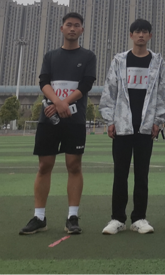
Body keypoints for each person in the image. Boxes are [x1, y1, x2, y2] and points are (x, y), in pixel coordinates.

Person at [19, 12, 96, 236]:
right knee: (44, 166)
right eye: (68, 25)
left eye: (77, 25)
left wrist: (64, 103)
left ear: (82, 30)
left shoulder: (88, 56)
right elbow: (44, 82)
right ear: (61, 28)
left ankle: (72, 217)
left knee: (74, 165)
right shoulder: (50, 56)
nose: (72, 28)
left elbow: (86, 85)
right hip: (49, 118)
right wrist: (57, 102)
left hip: (75, 119)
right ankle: (39, 217)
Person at [100, 19, 165, 236]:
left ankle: (139, 218)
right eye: (137, 31)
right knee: (120, 174)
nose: (141, 35)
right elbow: (110, 90)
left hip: (146, 126)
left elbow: (162, 92)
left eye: (144, 32)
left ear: (150, 36)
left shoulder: (157, 62)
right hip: (122, 125)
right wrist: (110, 120)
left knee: (142, 174)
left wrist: (158, 120)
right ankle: (117, 218)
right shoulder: (119, 60)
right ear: (131, 35)